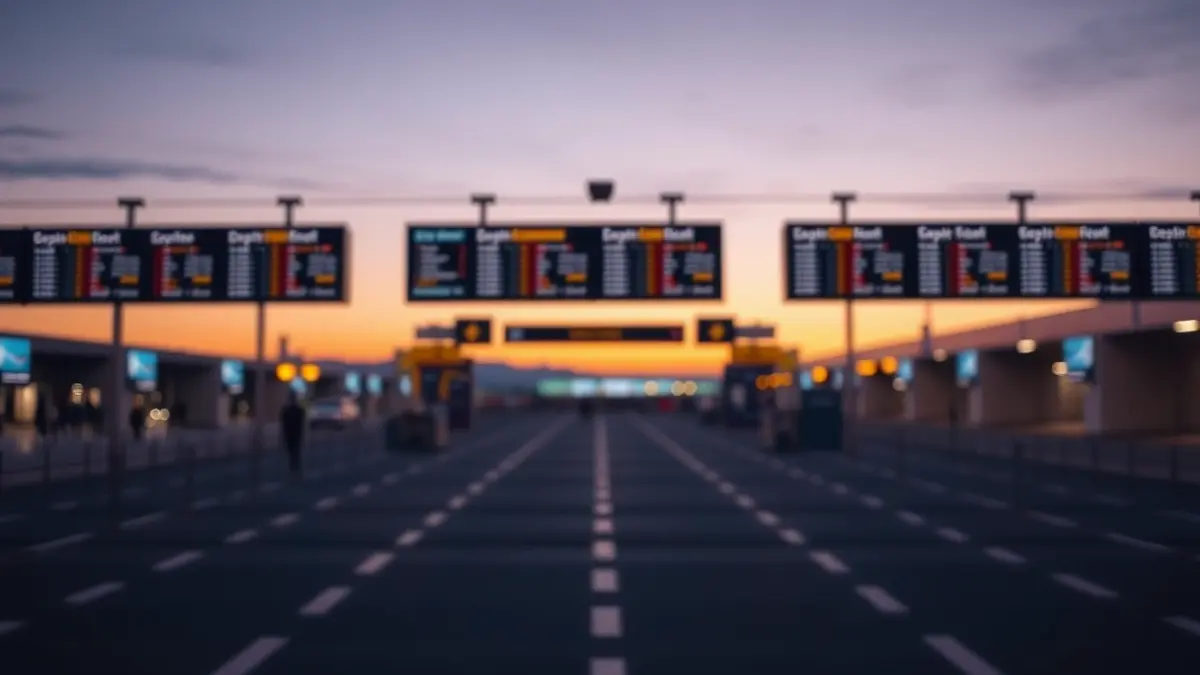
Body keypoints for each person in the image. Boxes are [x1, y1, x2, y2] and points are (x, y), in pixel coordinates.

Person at [280, 393, 307, 476]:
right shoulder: (289, 411)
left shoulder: (296, 410)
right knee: (293, 451)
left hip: (294, 433)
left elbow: (301, 422)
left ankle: (294, 467)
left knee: (294, 451)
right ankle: (294, 467)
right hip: (292, 433)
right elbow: (284, 423)